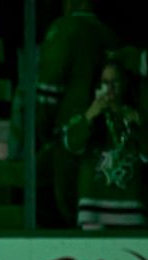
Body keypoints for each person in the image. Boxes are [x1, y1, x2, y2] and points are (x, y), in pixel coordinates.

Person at [34, 0, 118, 227]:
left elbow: (47, 92)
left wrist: (43, 134)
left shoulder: (64, 29)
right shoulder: (109, 34)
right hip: (104, 138)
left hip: (69, 137)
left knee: (55, 207)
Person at [62, 60, 147, 228]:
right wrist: (89, 117)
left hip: (131, 210)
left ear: (125, 83)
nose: (110, 88)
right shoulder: (85, 115)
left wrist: (141, 125)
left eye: (114, 81)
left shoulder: (137, 116)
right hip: (92, 209)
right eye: (104, 82)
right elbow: (71, 145)